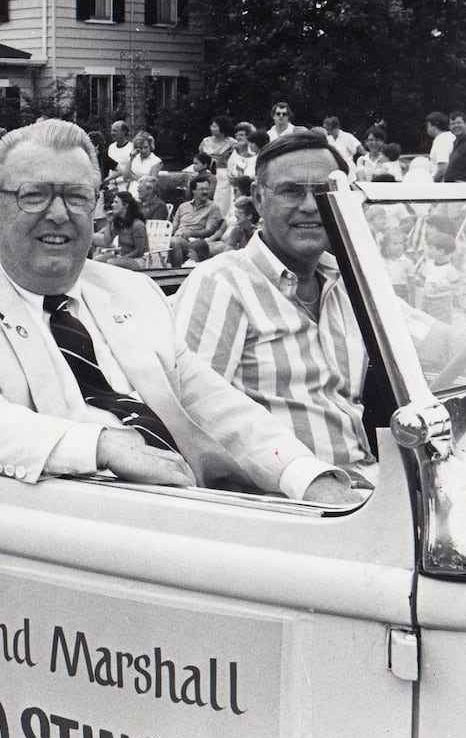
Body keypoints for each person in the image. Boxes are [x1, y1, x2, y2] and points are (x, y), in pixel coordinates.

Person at [0, 119, 361, 502]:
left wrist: (304, 474)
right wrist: (101, 445)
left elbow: (215, 404)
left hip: (196, 508)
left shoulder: (132, 291)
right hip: (84, 528)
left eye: (76, 197)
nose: (59, 214)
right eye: (34, 195)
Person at [173, 131, 441, 489]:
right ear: (257, 198)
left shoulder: (349, 281)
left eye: (322, 192)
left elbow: (435, 339)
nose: (311, 206)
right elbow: (190, 415)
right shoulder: (222, 283)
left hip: (368, 483)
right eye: (291, 191)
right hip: (288, 502)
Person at [168, 175, 224, 267]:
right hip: (179, 236)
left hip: (196, 241)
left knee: (174, 242)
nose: (205, 192)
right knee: (167, 241)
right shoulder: (183, 206)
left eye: (207, 189)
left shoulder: (213, 208)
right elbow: (174, 225)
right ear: (194, 191)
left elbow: (209, 231)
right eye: (202, 189)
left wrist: (191, 233)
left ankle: (177, 271)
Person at [93, 191, 148, 269]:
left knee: (111, 263)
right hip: (123, 256)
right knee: (96, 261)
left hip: (138, 260)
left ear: (125, 205)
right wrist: (109, 222)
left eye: (116, 202)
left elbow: (139, 251)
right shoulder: (119, 222)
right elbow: (107, 242)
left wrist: (121, 258)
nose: (112, 205)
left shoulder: (137, 225)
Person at [120, 133, 163, 198]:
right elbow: (125, 177)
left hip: (146, 195)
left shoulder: (156, 161)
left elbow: (151, 182)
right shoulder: (134, 158)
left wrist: (133, 177)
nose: (143, 150)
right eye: (140, 148)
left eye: (145, 147)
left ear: (150, 146)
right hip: (131, 192)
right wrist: (131, 159)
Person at [426, 112, 454, 181]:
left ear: (435, 125)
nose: (427, 128)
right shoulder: (452, 136)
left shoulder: (441, 140)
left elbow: (442, 169)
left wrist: (432, 184)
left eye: (428, 125)